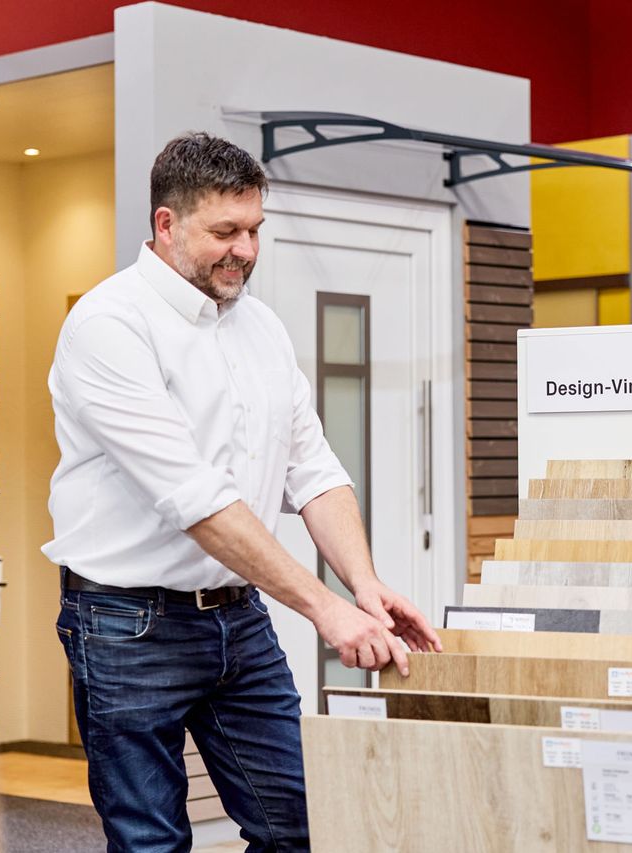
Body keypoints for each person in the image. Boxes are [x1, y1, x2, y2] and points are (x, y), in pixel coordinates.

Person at [42, 132, 442, 853]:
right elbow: (194, 498)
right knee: (151, 841)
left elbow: (312, 468)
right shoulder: (109, 325)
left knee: (301, 825)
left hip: (239, 620)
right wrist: (325, 607)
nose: (246, 249)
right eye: (224, 231)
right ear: (166, 225)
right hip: (126, 623)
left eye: (255, 228)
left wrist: (365, 584)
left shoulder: (259, 325)